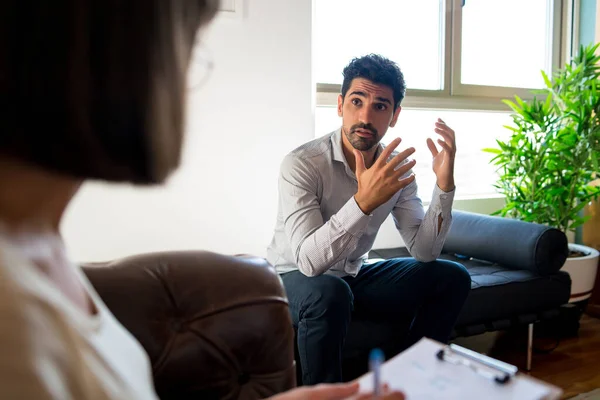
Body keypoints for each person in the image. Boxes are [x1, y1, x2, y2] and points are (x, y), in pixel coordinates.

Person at [0, 1, 404, 399]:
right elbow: (308, 263)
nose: (187, 83)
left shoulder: (39, 250)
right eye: (187, 48)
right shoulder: (12, 316)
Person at [267, 54, 472, 385]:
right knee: (329, 291)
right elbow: (308, 263)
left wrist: (444, 186)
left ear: (394, 116)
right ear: (339, 105)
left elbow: (424, 252)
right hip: (290, 278)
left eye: (379, 106)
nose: (365, 116)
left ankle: (406, 381)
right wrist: (363, 203)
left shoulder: (395, 169)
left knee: (451, 276)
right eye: (357, 101)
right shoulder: (302, 164)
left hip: (350, 277)